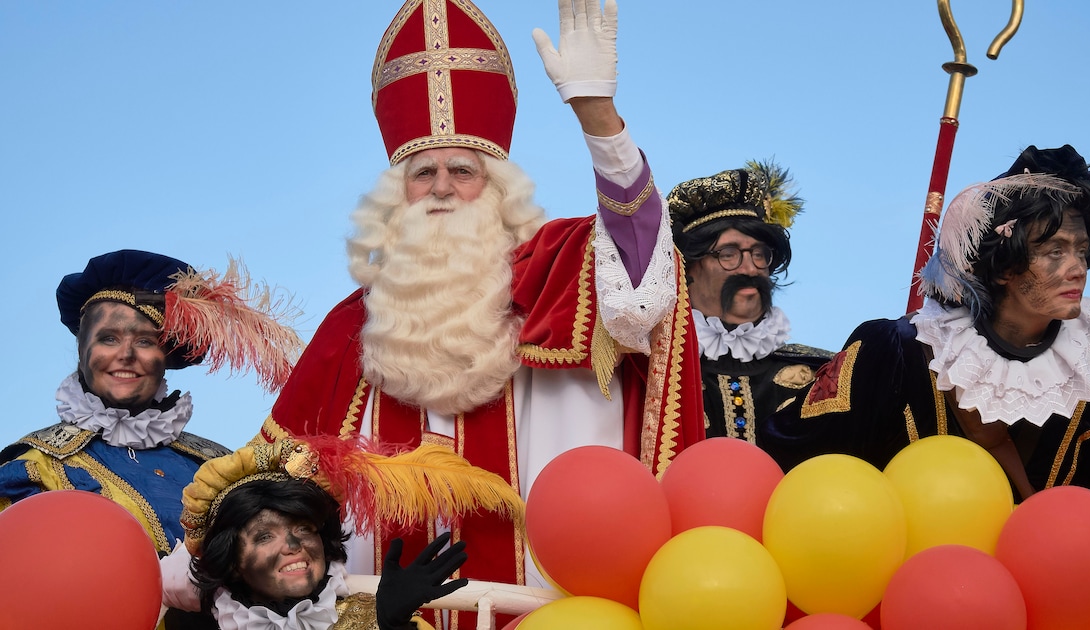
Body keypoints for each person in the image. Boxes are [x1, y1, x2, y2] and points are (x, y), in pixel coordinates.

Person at [253, 1, 704, 626]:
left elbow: (641, 256)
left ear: (497, 189)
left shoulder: (561, 270)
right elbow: (264, 499)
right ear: (397, 196)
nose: (441, 187)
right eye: (422, 173)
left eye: (463, 170)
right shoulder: (349, 330)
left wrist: (599, 119)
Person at [761, 145, 1090, 499]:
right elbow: (792, 463)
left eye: (1081, 251)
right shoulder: (896, 348)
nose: (1077, 269)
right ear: (1002, 268)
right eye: (1054, 251)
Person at [0, 249, 301, 552]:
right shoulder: (34, 467)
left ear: (165, 357)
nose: (127, 355)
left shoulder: (216, 465)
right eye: (109, 338)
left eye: (145, 341)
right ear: (82, 350)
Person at [179, 438, 502, 629]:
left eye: (304, 528)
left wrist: (390, 626)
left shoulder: (380, 616)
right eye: (265, 536)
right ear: (232, 560)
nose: (294, 546)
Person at [668, 162, 834, 444]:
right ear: (687, 269)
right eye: (729, 253)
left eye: (759, 254)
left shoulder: (823, 375)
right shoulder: (657, 376)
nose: (750, 269)